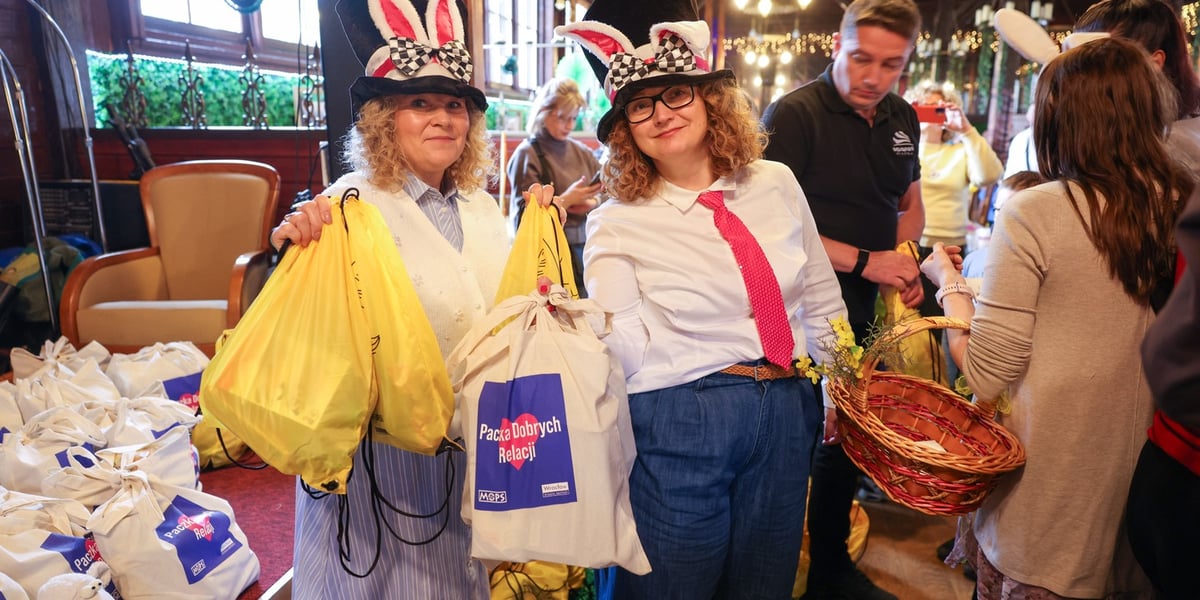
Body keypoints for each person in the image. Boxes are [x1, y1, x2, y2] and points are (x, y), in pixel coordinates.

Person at [266, 1, 558, 597]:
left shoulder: (481, 205)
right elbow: (312, 321)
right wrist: (294, 244)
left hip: (470, 443)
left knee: (453, 577)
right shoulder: (349, 202)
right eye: (420, 103)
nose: (443, 119)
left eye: (455, 105)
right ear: (382, 119)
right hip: (381, 463)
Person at [557, 1, 848, 597]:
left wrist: (839, 383)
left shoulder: (776, 182)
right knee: (671, 587)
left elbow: (819, 292)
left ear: (708, 98)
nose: (661, 115)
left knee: (763, 586)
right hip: (681, 416)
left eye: (675, 94)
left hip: (789, 406)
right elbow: (623, 348)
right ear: (625, 130)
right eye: (640, 105)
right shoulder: (617, 221)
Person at [921, 37, 1189, 599]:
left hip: (1050, 484)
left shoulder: (1038, 210)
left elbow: (989, 372)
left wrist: (948, 288)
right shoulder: (1182, 202)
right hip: (1147, 482)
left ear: (1057, 119)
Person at [759, 1, 925, 598]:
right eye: (860, 58)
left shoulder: (903, 117)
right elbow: (769, 226)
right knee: (797, 441)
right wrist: (864, 260)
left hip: (873, 314)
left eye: (890, 64)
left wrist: (903, 263)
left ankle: (828, 566)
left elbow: (908, 205)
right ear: (838, 43)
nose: (872, 76)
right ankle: (779, 571)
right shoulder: (795, 114)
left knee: (845, 444)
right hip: (799, 315)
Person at [507, 77, 603, 296]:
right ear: (544, 112)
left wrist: (592, 201)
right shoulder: (527, 154)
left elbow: (609, 194)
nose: (569, 125)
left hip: (588, 249)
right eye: (562, 118)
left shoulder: (582, 153)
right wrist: (565, 201)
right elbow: (523, 219)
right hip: (548, 256)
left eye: (573, 118)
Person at [906, 80, 1003, 251]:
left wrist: (966, 130)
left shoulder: (961, 151)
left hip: (951, 245)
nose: (929, 110)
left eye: (936, 107)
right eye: (923, 106)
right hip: (907, 240)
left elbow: (990, 176)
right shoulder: (902, 151)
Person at [1002, 104, 1037, 178]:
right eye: (1033, 112)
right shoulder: (1020, 139)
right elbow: (1010, 173)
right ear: (1027, 116)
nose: (1034, 115)